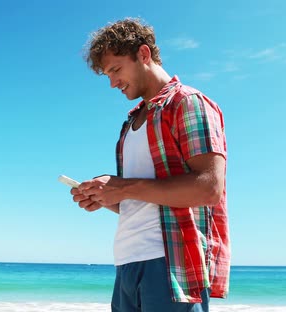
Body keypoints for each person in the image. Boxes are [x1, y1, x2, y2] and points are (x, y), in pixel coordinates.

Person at [71, 17, 230, 312]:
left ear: (144, 54)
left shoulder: (188, 103)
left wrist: (122, 186)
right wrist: (106, 195)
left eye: (116, 70)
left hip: (170, 266)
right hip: (127, 266)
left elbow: (209, 188)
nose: (112, 83)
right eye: (107, 75)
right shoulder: (130, 124)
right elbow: (143, 197)